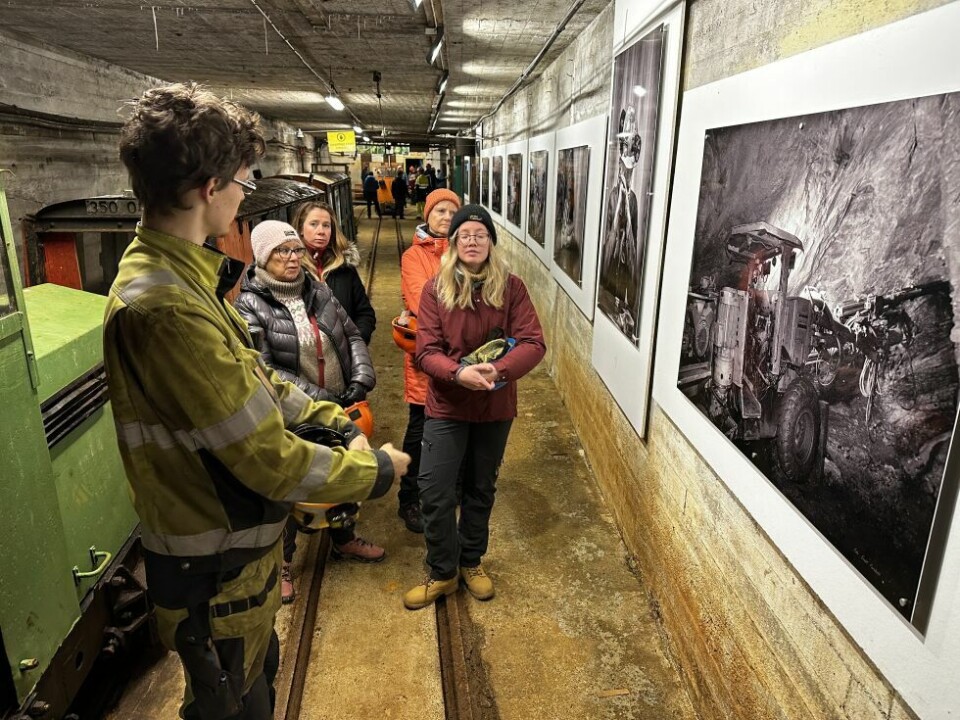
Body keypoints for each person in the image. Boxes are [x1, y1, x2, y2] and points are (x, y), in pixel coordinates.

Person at [105, 83, 410, 719]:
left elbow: (256, 382)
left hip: (232, 558)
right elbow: (269, 459)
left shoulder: (186, 281)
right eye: (246, 178)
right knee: (235, 703)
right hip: (211, 569)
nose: (248, 193)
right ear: (207, 188)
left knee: (258, 678)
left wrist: (329, 415)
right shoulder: (166, 309)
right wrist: (374, 471)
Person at [235, 221, 386, 604]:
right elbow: (266, 369)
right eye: (281, 252)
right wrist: (320, 398)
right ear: (263, 257)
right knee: (290, 485)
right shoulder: (249, 304)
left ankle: (344, 539)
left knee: (343, 468)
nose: (291, 258)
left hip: (338, 402)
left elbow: (351, 334)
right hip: (291, 413)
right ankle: (283, 563)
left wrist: (361, 377)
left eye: (296, 250)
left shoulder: (318, 290)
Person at [403, 205, 546, 610]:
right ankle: (442, 571)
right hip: (447, 405)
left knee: (481, 487)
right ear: (453, 243)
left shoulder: (511, 288)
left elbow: (533, 342)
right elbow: (426, 350)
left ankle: (471, 561)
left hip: (493, 406)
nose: (472, 240)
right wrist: (457, 374)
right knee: (433, 489)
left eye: (480, 235)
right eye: (464, 234)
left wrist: (499, 371)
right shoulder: (435, 290)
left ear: (491, 243)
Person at [397, 189, 462, 533]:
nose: (446, 216)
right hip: (428, 356)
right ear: (427, 214)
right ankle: (409, 499)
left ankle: (449, 489)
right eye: (439, 210)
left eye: (453, 211)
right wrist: (463, 311)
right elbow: (420, 298)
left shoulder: (467, 251)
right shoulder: (413, 256)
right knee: (420, 431)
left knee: (456, 427)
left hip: (461, 357)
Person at [293, 201, 376, 344]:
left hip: (344, 360)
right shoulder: (290, 268)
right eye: (313, 224)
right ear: (300, 229)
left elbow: (365, 313)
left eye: (326, 225)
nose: (321, 231)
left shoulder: (345, 268)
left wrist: (356, 344)